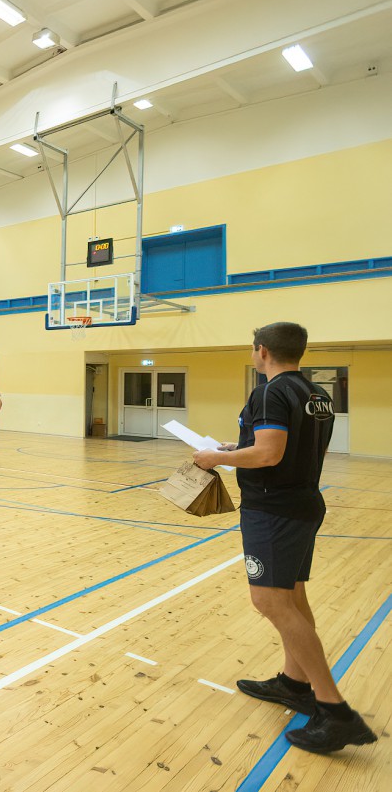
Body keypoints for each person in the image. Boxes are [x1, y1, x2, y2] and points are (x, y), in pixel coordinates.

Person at [193, 322, 375, 754]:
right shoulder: (317, 394)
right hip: (303, 503)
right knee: (292, 595)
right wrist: (234, 448)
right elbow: (299, 450)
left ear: (262, 351)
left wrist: (215, 458)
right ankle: (294, 683)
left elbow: (270, 453)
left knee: (270, 601)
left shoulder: (269, 392)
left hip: (273, 510)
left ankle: (335, 711)